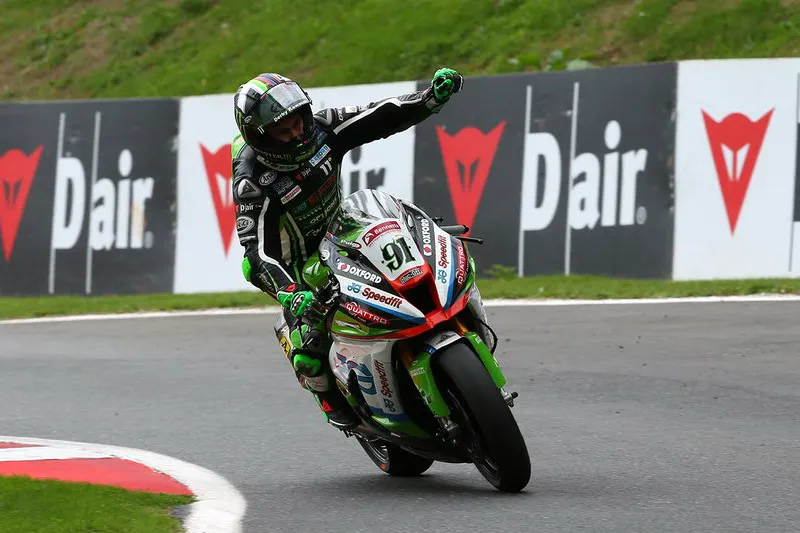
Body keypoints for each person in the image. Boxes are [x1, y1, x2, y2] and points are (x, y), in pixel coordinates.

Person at [231, 68, 463, 429]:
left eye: (298, 121)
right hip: (297, 264)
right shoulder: (253, 180)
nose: (296, 133)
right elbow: (256, 254)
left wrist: (429, 99)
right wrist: (290, 293)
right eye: (283, 130)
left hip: (341, 229)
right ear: (261, 137)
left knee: (408, 256)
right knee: (309, 353)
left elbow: (378, 115)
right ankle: (331, 401)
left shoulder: (322, 128)